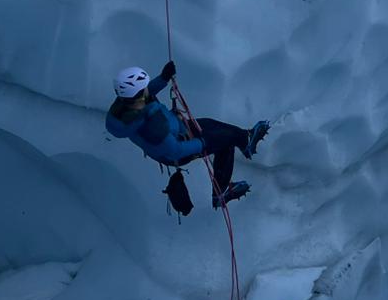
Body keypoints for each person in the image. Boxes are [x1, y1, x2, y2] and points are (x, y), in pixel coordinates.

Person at [105, 61, 269, 208]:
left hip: (179, 128)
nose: (148, 90)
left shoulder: (127, 103)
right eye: (144, 88)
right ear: (137, 94)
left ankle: (245, 143)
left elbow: (148, 94)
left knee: (212, 125)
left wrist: (163, 78)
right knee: (225, 140)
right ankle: (221, 194)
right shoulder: (152, 127)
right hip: (181, 146)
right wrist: (201, 143)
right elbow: (174, 150)